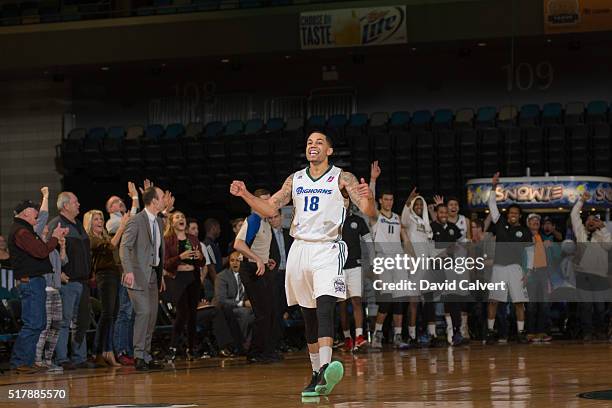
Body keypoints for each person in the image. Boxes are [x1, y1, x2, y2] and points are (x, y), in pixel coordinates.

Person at [230, 129, 376, 397]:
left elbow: (368, 210)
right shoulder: (295, 179)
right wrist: (246, 195)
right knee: (308, 315)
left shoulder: (342, 177)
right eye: (310, 142)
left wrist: (369, 196)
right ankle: (315, 374)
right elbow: (271, 208)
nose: (313, 145)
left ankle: (323, 369)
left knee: (324, 306)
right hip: (300, 249)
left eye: (319, 142)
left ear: (329, 151)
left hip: (328, 248)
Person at [8, 198, 68, 372]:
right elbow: (41, 251)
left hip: (35, 281)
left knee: (39, 323)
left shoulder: (25, 230)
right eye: (34, 210)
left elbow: (39, 250)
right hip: (31, 282)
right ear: (25, 213)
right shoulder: (21, 232)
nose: (37, 213)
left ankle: (26, 361)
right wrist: (55, 238)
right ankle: (19, 362)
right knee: (33, 323)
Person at [120, 186, 167, 371]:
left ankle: (146, 356)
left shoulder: (159, 221)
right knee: (144, 313)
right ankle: (139, 355)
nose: (164, 199)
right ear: (154, 201)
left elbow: (157, 252)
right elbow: (125, 247)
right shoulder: (136, 221)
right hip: (137, 275)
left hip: (153, 275)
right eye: (162, 196)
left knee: (152, 316)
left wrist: (160, 274)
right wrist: (128, 270)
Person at [48, 192, 96, 369]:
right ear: (65, 205)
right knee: (64, 322)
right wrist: (57, 273)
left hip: (83, 282)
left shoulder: (78, 225)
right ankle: (62, 358)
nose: (78, 204)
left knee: (81, 322)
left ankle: (79, 357)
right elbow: (48, 251)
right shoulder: (57, 224)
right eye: (75, 202)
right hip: (68, 282)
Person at [233, 189, 279, 363]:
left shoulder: (265, 221)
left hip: (260, 267)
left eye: (269, 201)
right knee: (262, 312)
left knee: (268, 311)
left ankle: (264, 350)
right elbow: (238, 244)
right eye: (264, 201)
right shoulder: (253, 219)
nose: (268, 205)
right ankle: (255, 353)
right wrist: (258, 259)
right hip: (250, 269)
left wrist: (267, 260)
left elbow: (257, 246)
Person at [486, 172, 532, 345]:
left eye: (516, 213)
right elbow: (491, 204)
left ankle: (521, 332)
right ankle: (490, 331)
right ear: (507, 214)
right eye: (511, 212)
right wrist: (493, 187)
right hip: (498, 268)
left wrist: (528, 272)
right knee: (493, 301)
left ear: (519, 215)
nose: (513, 214)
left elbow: (530, 253)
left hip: (516, 269)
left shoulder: (525, 231)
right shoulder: (500, 223)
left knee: (519, 302)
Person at [369, 161, 411, 350]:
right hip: (383, 260)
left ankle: (397, 336)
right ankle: (377, 335)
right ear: (380, 201)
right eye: (385, 199)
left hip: (399, 261)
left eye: (391, 200)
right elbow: (369, 202)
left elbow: (405, 240)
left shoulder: (396, 217)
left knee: (400, 301)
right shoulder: (376, 217)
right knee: (385, 301)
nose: (389, 202)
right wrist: (372, 180)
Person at [84, 209, 129, 367]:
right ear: (90, 222)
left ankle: (107, 350)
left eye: (100, 219)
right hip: (104, 277)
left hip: (114, 276)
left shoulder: (105, 236)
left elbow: (115, 253)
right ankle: (99, 351)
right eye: (96, 219)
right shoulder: (90, 239)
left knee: (113, 315)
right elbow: (110, 247)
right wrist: (122, 227)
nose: (99, 221)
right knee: (107, 314)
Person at [163, 211, 206, 361]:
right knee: (182, 313)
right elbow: (166, 264)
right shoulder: (168, 240)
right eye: (177, 217)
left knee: (193, 314)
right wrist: (181, 257)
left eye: (182, 216)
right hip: (177, 279)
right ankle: (173, 347)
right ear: (171, 222)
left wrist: (200, 257)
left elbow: (202, 262)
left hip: (193, 278)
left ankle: (191, 347)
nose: (181, 219)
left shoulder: (192, 239)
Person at [570, 191, 612, 341]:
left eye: (594, 220)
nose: (591, 222)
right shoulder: (580, 232)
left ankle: (600, 331)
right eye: (588, 220)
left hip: (600, 276)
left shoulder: (603, 235)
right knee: (586, 306)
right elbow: (574, 215)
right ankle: (587, 332)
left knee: (600, 307)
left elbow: (609, 246)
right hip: (583, 276)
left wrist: (603, 228)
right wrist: (581, 201)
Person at [34, 187, 67, 373]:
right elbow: (43, 216)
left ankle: (48, 360)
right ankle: (38, 361)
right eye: (45, 226)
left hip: (56, 291)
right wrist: (46, 197)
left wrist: (62, 246)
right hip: (45, 291)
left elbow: (63, 262)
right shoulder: (37, 243)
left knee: (56, 326)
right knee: (45, 327)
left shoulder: (51, 248)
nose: (47, 227)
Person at [338, 203, 372, 352]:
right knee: (342, 304)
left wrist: (371, 262)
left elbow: (369, 241)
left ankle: (359, 336)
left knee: (357, 300)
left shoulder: (358, 220)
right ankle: (347, 338)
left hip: (355, 266)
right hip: (337, 268)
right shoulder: (333, 220)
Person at [213, 251, 255, 351]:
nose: (235, 263)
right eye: (232, 261)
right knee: (245, 313)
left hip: (245, 307)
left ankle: (251, 344)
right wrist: (243, 303)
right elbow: (221, 299)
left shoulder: (247, 276)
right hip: (225, 309)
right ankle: (241, 344)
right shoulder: (222, 276)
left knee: (260, 314)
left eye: (238, 261)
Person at [523, 213, 554, 343]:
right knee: (531, 305)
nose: (535, 222)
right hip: (530, 273)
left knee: (544, 305)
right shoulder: (523, 237)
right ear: (528, 223)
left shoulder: (543, 238)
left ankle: (541, 332)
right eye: (532, 220)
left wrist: (549, 277)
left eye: (537, 221)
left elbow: (551, 260)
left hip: (543, 274)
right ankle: (530, 332)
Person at [268, 209, 294, 351]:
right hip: (275, 275)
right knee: (277, 309)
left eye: (276, 217)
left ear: (281, 216)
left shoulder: (289, 234)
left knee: (288, 307)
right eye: (270, 218)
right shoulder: (267, 236)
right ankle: (278, 342)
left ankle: (287, 340)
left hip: (289, 274)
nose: (273, 220)